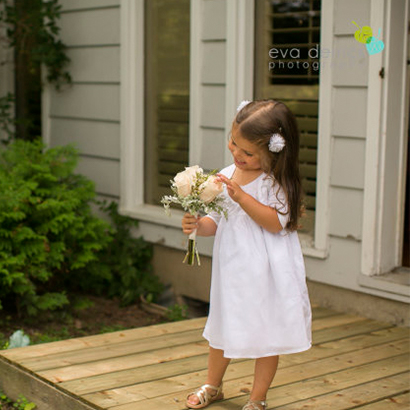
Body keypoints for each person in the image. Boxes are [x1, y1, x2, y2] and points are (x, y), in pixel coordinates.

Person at [181, 99, 312, 410]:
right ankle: (214, 385)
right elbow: (219, 220)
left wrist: (240, 196)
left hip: (267, 271)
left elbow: (275, 223)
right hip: (233, 269)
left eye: (248, 152)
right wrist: (199, 225)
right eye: (233, 143)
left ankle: (257, 398)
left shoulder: (276, 184)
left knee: (267, 332)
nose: (237, 154)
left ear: (274, 151)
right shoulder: (229, 173)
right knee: (223, 324)